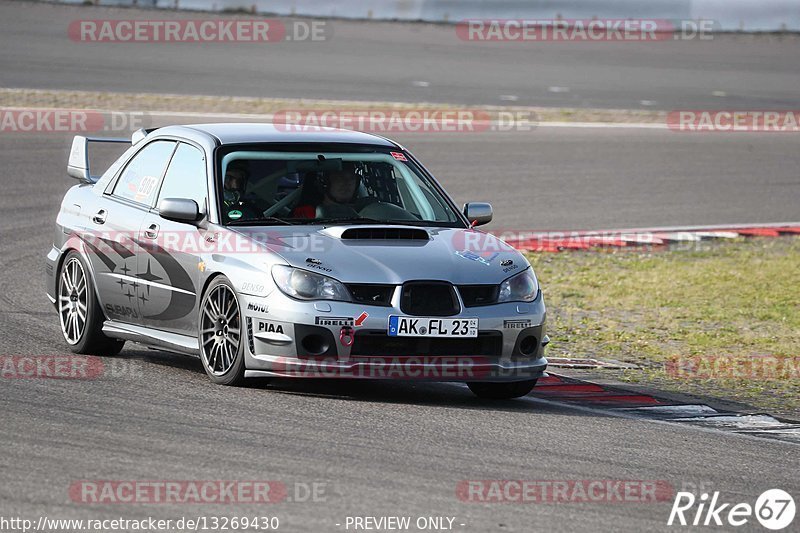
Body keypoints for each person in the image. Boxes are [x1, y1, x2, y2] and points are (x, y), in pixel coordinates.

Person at [292, 163, 361, 219]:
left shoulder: (366, 212)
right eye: (339, 178)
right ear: (323, 182)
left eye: (351, 178)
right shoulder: (308, 212)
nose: (347, 182)